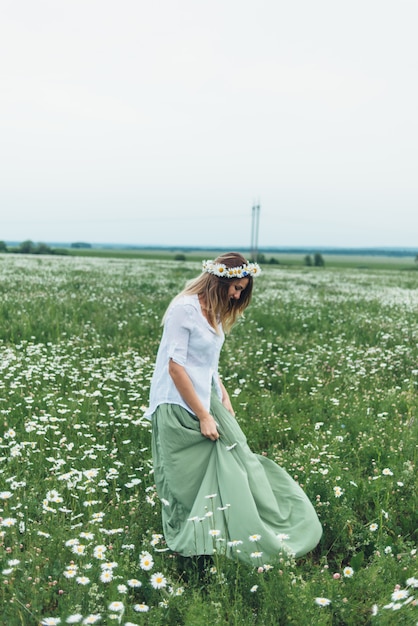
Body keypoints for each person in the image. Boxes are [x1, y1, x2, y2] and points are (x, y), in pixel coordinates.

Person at [145, 252, 322, 566]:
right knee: (187, 479)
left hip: (206, 399)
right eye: (236, 288)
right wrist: (203, 415)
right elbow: (176, 368)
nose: (238, 295)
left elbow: (207, 365)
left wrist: (222, 395)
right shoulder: (184, 309)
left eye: (242, 290)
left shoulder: (213, 313)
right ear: (219, 280)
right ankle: (199, 549)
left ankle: (242, 535)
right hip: (176, 403)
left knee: (240, 463)